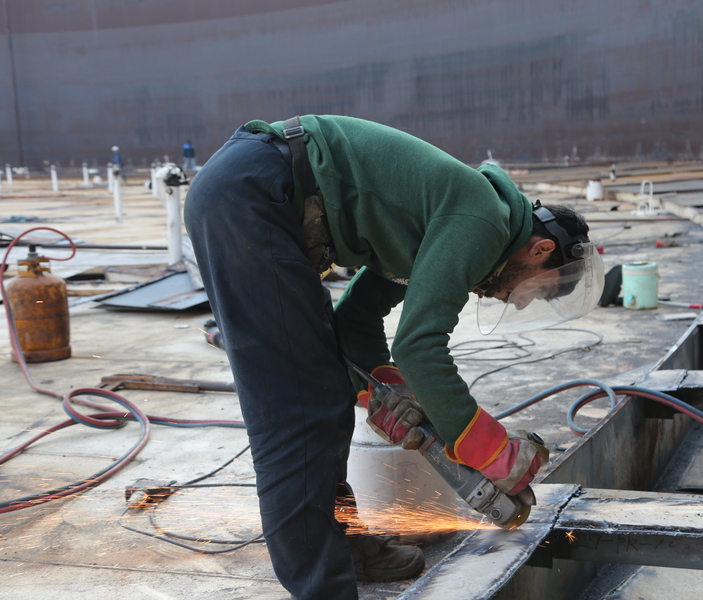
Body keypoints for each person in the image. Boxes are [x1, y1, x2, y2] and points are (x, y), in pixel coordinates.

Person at [183, 115, 603, 600]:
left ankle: (343, 546)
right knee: (298, 416)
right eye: (536, 290)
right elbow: (419, 346)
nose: (518, 302)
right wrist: (490, 450)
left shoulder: (456, 213)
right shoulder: (483, 220)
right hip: (253, 197)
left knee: (325, 393)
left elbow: (356, 321)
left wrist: (386, 390)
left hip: (254, 192)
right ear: (541, 249)